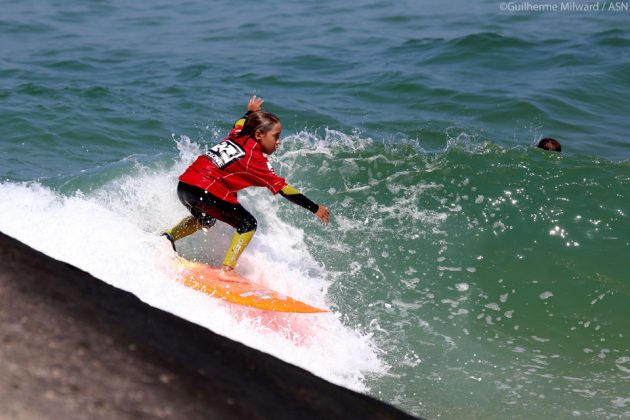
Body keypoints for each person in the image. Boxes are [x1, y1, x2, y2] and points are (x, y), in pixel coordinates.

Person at [163, 96, 330, 271]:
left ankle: (168, 237)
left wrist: (250, 112)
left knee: (206, 219)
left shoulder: (236, 135)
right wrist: (315, 208)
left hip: (184, 187)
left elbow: (240, 122)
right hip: (204, 191)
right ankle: (227, 270)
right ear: (259, 135)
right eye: (276, 136)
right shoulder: (254, 160)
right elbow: (285, 190)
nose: (278, 141)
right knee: (247, 224)